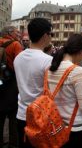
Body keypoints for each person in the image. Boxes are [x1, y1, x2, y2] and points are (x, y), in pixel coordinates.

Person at [47, 34, 82, 147]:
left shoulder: (50, 68)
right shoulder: (77, 71)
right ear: (80, 51)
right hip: (75, 129)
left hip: (56, 126)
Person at [13, 18, 53, 148]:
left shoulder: (18, 58)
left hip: (21, 114)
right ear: (45, 35)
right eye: (51, 34)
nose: (51, 37)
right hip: (40, 116)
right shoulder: (47, 61)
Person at [0, 26, 23, 148]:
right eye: (16, 32)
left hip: (0, 81)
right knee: (13, 114)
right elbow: (20, 64)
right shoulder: (15, 45)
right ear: (9, 33)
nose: (18, 34)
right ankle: (14, 143)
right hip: (11, 82)